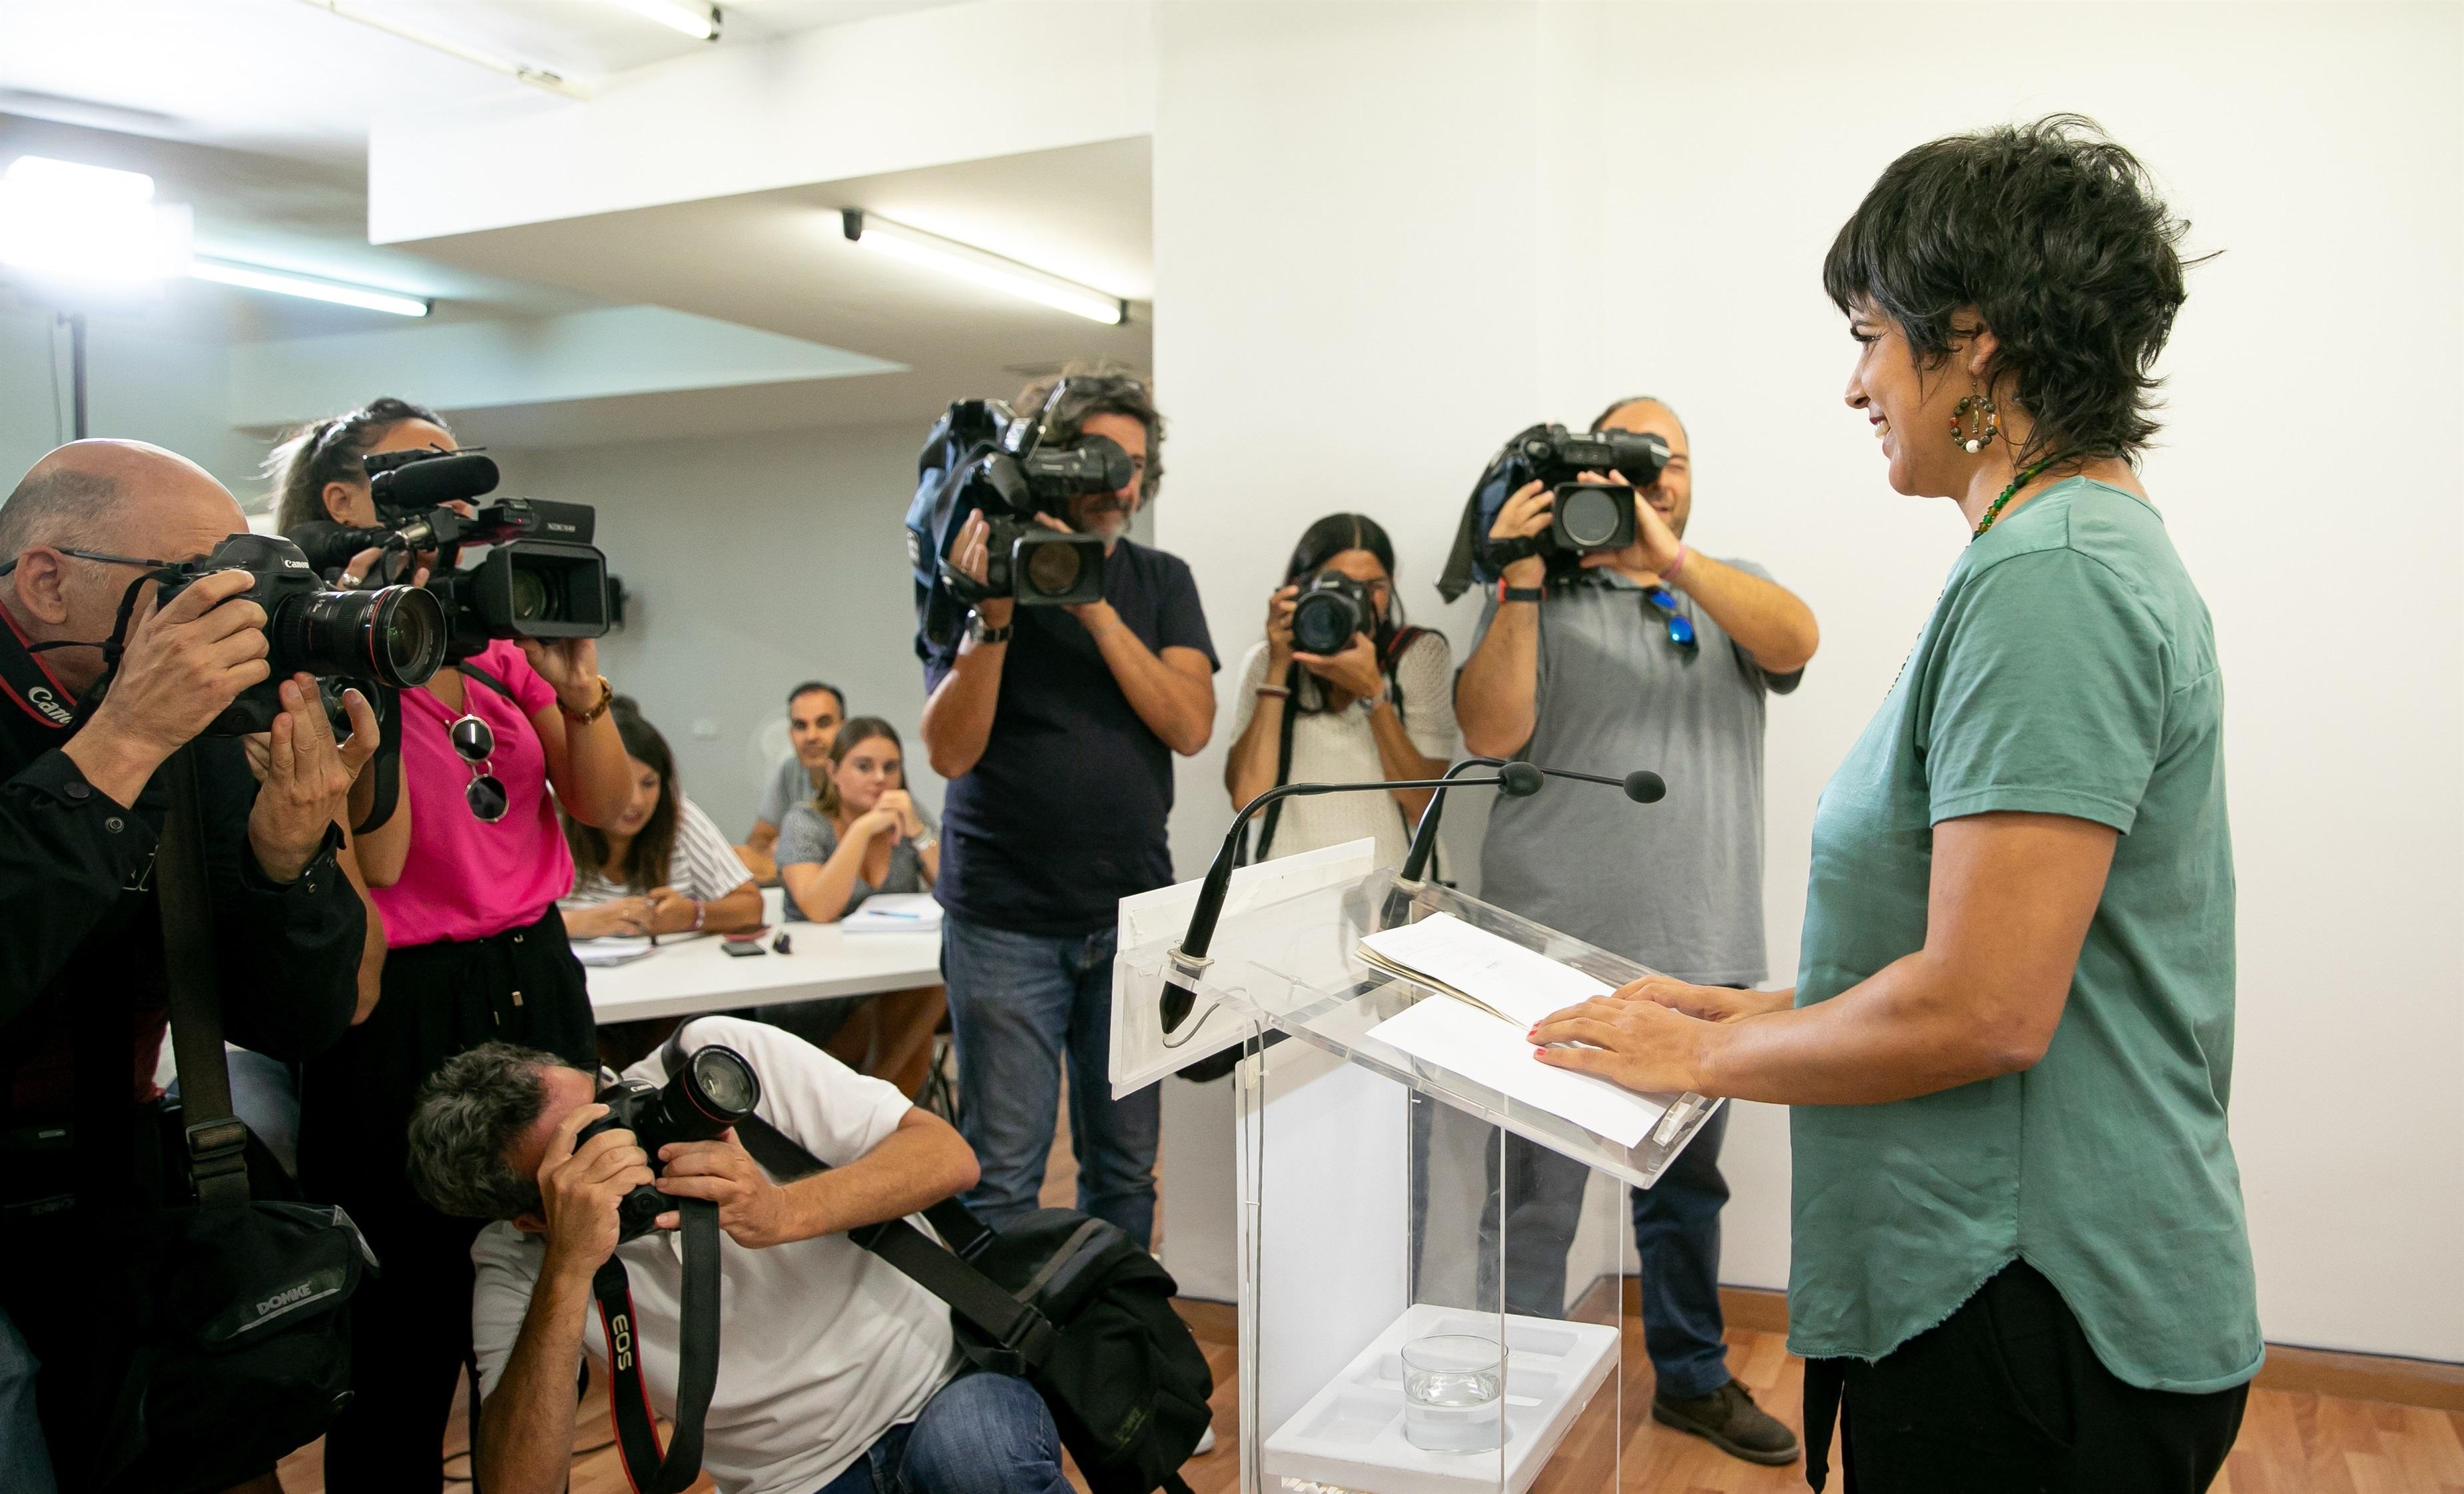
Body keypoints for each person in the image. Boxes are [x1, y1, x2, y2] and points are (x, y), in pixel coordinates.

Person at [1530, 117, 2256, 1493]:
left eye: (1868, 333)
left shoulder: (2053, 573)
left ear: (1970, 338)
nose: (1855, 383)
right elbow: (1957, 963)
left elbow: (1982, 1006)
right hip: (2007, 1289)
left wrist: (1697, 1064)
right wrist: (1733, 1008)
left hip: (2031, 1307)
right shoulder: (2054, 548)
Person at [273, 398, 637, 1493]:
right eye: (420, 471)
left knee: (549, 1282)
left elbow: (608, 806)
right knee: (405, 1333)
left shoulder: (491, 651)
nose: (456, 492)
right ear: (342, 501)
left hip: (535, 977)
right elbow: (377, 868)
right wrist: (382, 654)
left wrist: (579, 690)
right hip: (402, 1011)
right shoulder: (327, 654)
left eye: (461, 472)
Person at [1454, 395, 1819, 1466]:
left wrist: (1673, 558)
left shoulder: (1722, 588)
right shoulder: (1537, 592)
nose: (1655, 475)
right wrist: (1519, 576)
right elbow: (1488, 729)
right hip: (1549, 952)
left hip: (1701, 950)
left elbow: (1801, 638)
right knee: (1534, 1195)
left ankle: (1692, 1380)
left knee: (1686, 1190)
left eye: (1671, 459)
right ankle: (1504, 1383)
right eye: (1631, 459)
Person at [0, 440, 369, 1488]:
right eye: (188, 587)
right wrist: (116, 748)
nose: (223, 620)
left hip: (119, 1186)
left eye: (235, 586)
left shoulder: (190, 723)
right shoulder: (149, 715)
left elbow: (297, 1021)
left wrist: (289, 855)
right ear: (46, 578)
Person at [405, 1016, 1068, 1494]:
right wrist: (571, 1262)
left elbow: (948, 1156)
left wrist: (782, 1210)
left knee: (978, 1468)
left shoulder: (712, 1061)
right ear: (529, 1216)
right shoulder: (519, 1257)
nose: (628, 1135)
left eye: (609, 1101)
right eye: (588, 1150)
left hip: (936, 1380)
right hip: (792, 1475)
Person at [921, 364, 1215, 1246]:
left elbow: (1190, 723)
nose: (1120, 479)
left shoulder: (1161, 581)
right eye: (1099, 456)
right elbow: (948, 749)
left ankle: (1115, 1360)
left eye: (1134, 461)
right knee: (1004, 1169)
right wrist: (996, 618)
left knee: (1125, 1166)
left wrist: (1091, 606)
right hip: (1003, 918)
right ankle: (1006, 1372)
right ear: (1053, 459)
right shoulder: (970, 572)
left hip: (1131, 912)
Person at [1223, 513, 1454, 867]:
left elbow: (1423, 802)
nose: (1358, 599)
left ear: (1392, 587)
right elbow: (1248, 799)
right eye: (1342, 585)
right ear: (1302, 588)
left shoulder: (1417, 655)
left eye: (1374, 587)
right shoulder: (1268, 661)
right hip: (1287, 888)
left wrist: (1373, 694)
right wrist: (1278, 667)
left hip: (1395, 888)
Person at [763, 715, 945, 1096]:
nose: (880, 778)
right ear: (834, 772)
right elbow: (819, 908)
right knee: (914, 1014)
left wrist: (919, 832)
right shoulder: (804, 820)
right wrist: (862, 829)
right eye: (864, 766)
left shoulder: (909, 815)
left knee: (932, 983)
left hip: (892, 976)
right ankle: (881, 1109)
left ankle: (870, 1109)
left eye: (890, 767)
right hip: (817, 995)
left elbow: (954, 891)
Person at [561, 699, 763, 938]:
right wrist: (576, 923)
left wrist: (693, 915)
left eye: (649, 783)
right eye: (621, 783)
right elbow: (508, 927)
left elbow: (751, 907)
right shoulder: (550, 822)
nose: (636, 801)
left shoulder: (680, 817)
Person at [737, 680, 846, 882]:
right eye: (800, 726)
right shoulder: (791, 771)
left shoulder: (863, 772)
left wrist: (792, 851)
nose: (811, 736)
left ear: (844, 728)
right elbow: (758, 841)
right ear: (790, 734)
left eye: (823, 723)